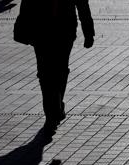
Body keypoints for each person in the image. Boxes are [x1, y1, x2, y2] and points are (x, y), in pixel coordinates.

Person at [14, 0, 95, 135]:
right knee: (45, 74)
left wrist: (88, 32)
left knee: (60, 71)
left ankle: (55, 107)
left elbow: (82, 4)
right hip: (41, 31)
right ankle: (51, 114)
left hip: (64, 32)